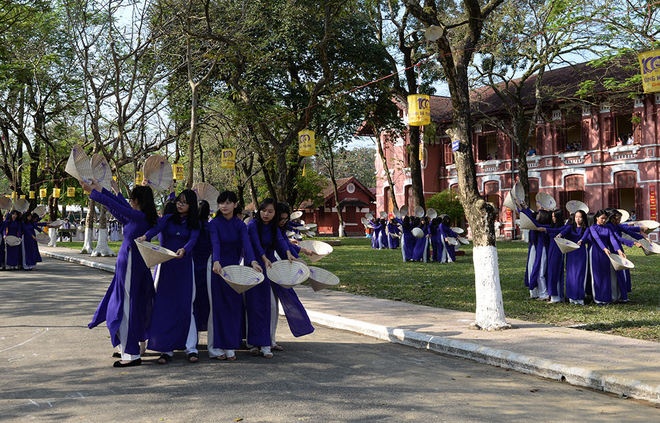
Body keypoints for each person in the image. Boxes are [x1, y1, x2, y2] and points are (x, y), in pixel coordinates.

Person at [83, 178, 158, 367]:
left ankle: (131, 354)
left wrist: (94, 193)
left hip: (132, 265)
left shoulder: (140, 217)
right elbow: (118, 207)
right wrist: (101, 189)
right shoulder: (138, 217)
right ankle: (127, 347)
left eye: (132, 199)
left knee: (126, 307)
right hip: (128, 265)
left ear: (138, 201)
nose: (130, 201)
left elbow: (119, 207)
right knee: (122, 305)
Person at [139, 189, 200, 364]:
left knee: (186, 307)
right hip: (166, 266)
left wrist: (185, 250)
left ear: (191, 205)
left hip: (184, 266)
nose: (180, 205)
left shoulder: (194, 223)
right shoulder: (167, 218)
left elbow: (193, 239)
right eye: (179, 201)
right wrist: (145, 237)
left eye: (185, 203)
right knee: (165, 306)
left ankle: (191, 348)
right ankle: (166, 349)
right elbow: (155, 229)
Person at [207, 191, 261, 361]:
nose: (224, 206)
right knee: (217, 307)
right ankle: (215, 348)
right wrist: (216, 261)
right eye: (221, 203)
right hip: (216, 267)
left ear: (235, 205)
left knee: (233, 306)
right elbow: (215, 242)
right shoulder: (214, 223)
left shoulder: (240, 225)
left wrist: (253, 261)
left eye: (228, 203)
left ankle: (230, 346)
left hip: (234, 270)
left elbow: (246, 244)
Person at [246, 198, 297, 358]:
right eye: (263, 210)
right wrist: (262, 258)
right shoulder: (253, 224)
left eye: (270, 211)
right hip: (254, 265)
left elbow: (281, 241)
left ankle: (267, 342)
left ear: (275, 213)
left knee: (270, 306)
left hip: (269, 267)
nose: (266, 214)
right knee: (253, 306)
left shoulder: (274, 227)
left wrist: (288, 253)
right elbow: (255, 243)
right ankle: (253, 343)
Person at [578, 209, 626, 304]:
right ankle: (598, 298)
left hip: (606, 253)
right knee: (596, 275)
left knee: (606, 275)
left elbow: (613, 240)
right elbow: (597, 238)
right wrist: (604, 248)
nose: (604, 220)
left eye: (605, 218)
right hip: (595, 252)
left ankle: (606, 297)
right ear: (597, 218)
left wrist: (619, 251)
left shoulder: (607, 229)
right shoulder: (592, 228)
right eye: (602, 218)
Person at [556, 210, 589, 304]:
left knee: (580, 274)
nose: (578, 219)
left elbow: (585, 236)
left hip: (581, 252)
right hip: (571, 252)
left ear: (583, 218)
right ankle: (571, 297)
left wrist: (581, 240)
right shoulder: (570, 227)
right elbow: (563, 232)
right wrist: (560, 235)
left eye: (580, 217)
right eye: (576, 217)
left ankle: (580, 297)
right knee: (571, 274)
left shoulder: (586, 228)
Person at [192, 200, 212, 334]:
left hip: (193, 263)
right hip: (207, 265)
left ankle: (194, 328)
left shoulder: (192, 226)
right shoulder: (210, 227)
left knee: (194, 297)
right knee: (206, 297)